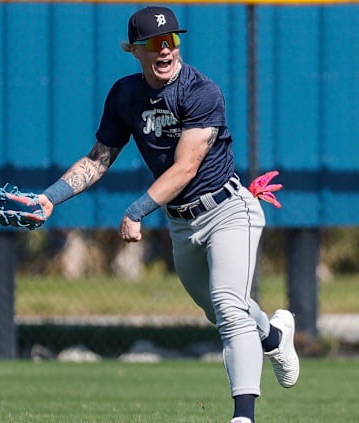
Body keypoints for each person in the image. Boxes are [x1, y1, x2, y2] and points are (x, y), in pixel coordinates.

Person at [35, 6, 299, 423]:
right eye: (155, 43)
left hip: (229, 209)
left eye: (172, 40)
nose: (165, 49)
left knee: (229, 307)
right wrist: (50, 199)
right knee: (221, 311)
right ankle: (274, 336)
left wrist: (137, 209)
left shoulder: (201, 91)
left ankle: (243, 417)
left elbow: (186, 167)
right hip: (182, 223)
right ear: (134, 50)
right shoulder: (125, 95)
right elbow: (99, 159)